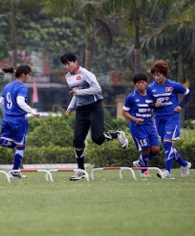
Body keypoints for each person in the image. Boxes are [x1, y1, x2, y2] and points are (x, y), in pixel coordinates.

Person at [60, 52, 129, 181]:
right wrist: (70, 107)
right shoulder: (68, 77)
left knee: (97, 138)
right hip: (81, 110)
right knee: (77, 141)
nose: (67, 66)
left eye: (69, 63)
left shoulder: (86, 73)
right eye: (65, 64)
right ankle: (81, 170)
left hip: (94, 107)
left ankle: (118, 135)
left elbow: (97, 89)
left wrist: (79, 92)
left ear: (75, 62)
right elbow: (76, 94)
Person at [0, 65, 40, 179]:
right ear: (23, 75)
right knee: (20, 145)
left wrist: (8, 112)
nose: (29, 76)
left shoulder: (8, 86)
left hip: (7, 118)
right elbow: (20, 101)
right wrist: (32, 112)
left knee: (11, 143)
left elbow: (1, 102)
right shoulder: (22, 87)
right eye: (28, 74)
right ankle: (15, 171)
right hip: (18, 120)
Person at [147, 60, 191, 179]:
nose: (156, 77)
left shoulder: (173, 85)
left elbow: (188, 94)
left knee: (167, 143)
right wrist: (154, 105)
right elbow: (148, 103)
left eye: (159, 74)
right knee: (167, 146)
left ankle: (167, 171)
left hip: (172, 117)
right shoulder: (151, 88)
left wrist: (180, 106)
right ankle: (185, 164)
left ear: (164, 74)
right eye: (154, 75)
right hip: (159, 119)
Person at [122, 73, 160, 178]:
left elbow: (153, 106)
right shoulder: (131, 97)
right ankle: (144, 171)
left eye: (143, 82)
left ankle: (140, 162)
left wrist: (156, 108)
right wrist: (135, 119)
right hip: (138, 127)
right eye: (138, 83)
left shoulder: (150, 95)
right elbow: (124, 112)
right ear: (135, 85)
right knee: (146, 149)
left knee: (155, 150)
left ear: (146, 83)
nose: (141, 85)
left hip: (150, 125)